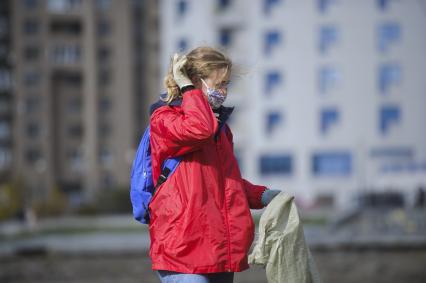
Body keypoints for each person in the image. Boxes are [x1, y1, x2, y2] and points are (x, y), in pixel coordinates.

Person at [148, 46, 281, 283]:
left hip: (218, 248)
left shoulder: (220, 128)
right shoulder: (165, 118)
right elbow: (199, 131)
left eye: (227, 84)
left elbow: (223, 180)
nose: (224, 91)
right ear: (195, 81)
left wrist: (261, 195)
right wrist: (188, 90)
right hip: (182, 248)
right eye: (219, 83)